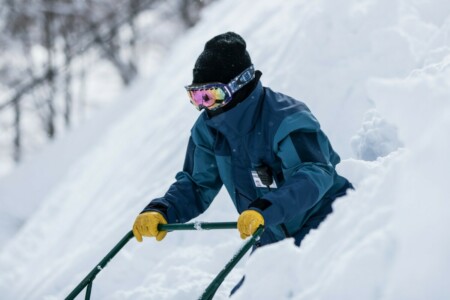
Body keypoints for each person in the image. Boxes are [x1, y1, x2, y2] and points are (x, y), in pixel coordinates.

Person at [132, 31, 352, 291]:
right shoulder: (209, 130)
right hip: (270, 237)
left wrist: (266, 208)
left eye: (210, 95)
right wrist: (163, 209)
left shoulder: (286, 118)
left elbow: (314, 173)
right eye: (196, 97)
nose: (204, 106)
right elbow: (196, 184)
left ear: (237, 85)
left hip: (327, 223)